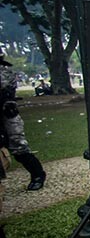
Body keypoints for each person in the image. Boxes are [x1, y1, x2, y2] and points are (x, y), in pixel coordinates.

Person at [0, 51, 46, 191]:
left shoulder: (4, 70)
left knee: (18, 147)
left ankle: (38, 175)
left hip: (7, 113)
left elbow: (5, 88)